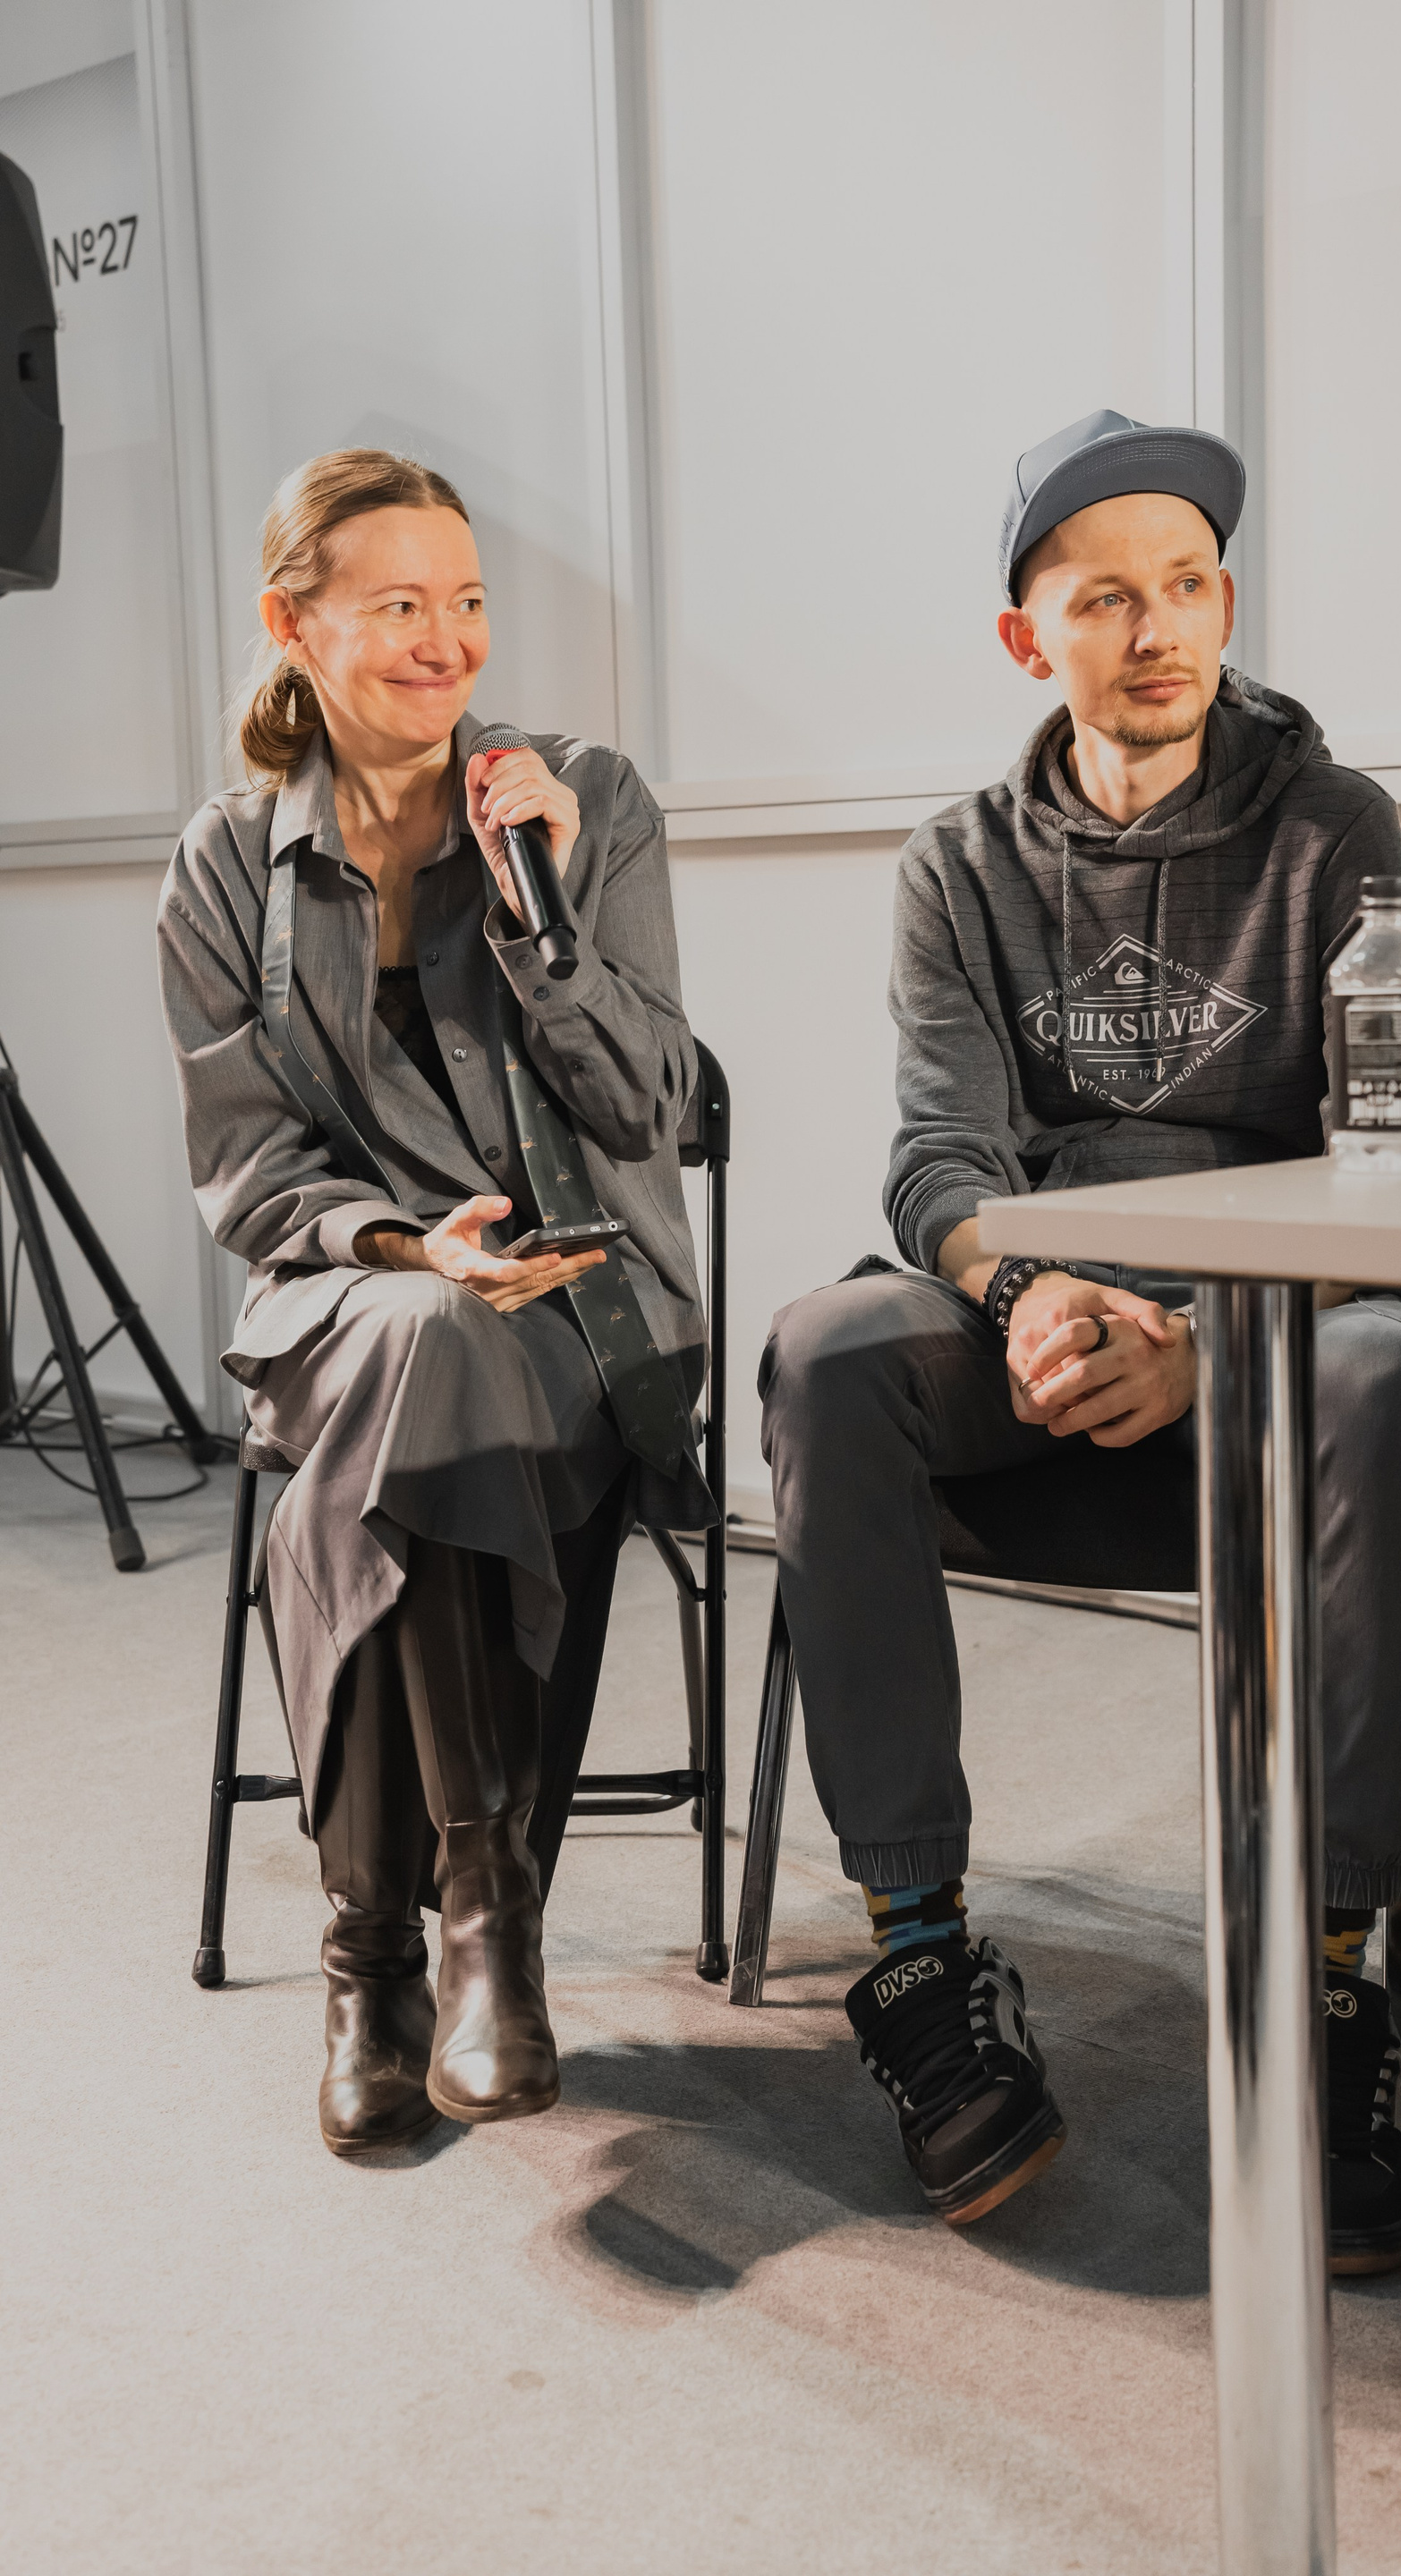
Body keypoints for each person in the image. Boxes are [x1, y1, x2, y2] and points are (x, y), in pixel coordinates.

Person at [760, 411, 1401, 2259]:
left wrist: (1212, 1342)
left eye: (1188, 586)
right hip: (1040, 1328)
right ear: (1029, 639)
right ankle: (922, 1962)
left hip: (1270, 1333)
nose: (1158, 630)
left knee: (1392, 1364)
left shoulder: (1334, 829)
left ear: (1225, 602)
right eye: (1104, 600)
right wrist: (1025, 1295)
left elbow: (1385, 1162)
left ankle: (1325, 1976)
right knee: (827, 1350)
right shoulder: (955, 863)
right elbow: (938, 1156)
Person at [157, 449, 710, 2157]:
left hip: (582, 1302)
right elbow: (250, 1174)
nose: (444, 641)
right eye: (397, 604)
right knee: (425, 1339)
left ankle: (373, 1964)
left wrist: (545, 917)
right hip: (354, 1299)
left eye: (465, 601)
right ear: (294, 627)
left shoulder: (587, 800)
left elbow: (647, 1109)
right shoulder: (225, 866)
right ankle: (487, 1913)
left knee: (407, 1412)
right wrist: (411, 1249)